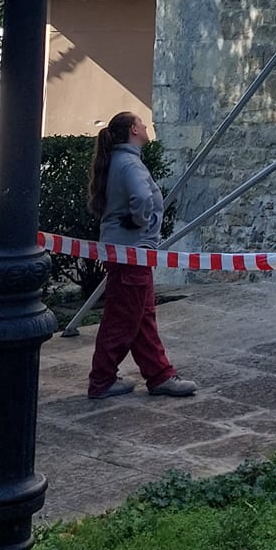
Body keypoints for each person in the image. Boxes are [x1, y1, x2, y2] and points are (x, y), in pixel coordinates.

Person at [86, 110, 196, 401]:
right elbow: (143, 197)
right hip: (131, 252)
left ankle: (160, 376)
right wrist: (140, 221)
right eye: (142, 123)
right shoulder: (130, 164)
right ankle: (102, 380)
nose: (147, 126)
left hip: (127, 252)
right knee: (123, 319)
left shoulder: (119, 161)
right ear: (134, 130)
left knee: (141, 315)